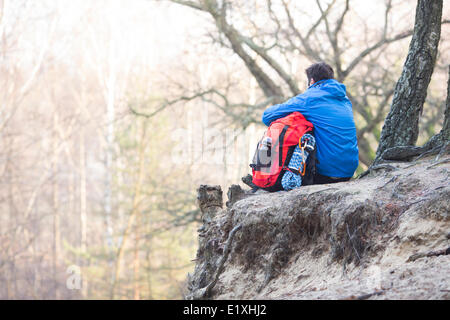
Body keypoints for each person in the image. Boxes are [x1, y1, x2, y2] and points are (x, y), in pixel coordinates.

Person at [262, 62, 358, 184]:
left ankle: (270, 178)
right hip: (349, 170)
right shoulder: (344, 99)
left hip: (325, 173)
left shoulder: (309, 98)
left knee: (297, 125)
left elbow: (267, 116)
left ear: (312, 81)